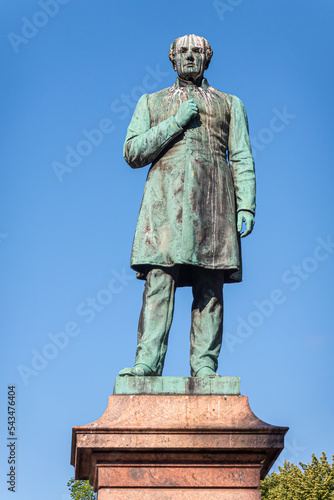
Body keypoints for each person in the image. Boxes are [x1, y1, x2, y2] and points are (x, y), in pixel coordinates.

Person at [119, 34, 255, 378]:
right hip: (164, 204)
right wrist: (176, 122)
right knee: (159, 281)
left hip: (214, 202)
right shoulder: (151, 102)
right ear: (173, 59)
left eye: (198, 51)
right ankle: (147, 362)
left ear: (207, 58)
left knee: (210, 285)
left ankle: (205, 365)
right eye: (184, 51)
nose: (190, 56)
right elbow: (133, 152)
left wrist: (246, 206)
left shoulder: (230, 103)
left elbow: (240, 156)